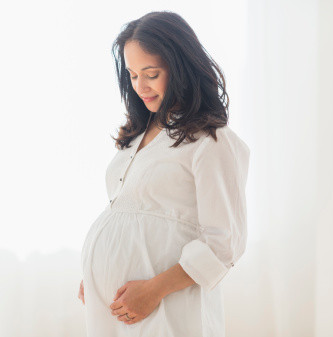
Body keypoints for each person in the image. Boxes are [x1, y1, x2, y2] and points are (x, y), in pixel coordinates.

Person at [77, 11, 250, 337]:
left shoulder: (212, 140)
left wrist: (154, 289)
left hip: (167, 306)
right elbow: (129, 213)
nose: (140, 86)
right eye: (131, 75)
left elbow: (224, 244)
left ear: (180, 68)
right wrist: (96, 270)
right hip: (116, 309)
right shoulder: (140, 133)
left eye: (151, 73)